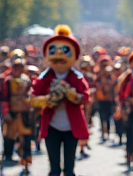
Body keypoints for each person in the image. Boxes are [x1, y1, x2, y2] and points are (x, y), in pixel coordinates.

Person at [31, 25, 90, 176]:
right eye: (53, 51)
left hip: (72, 127)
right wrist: (48, 100)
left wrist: (71, 95)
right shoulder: (44, 78)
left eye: (64, 51)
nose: (58, 57)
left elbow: (85, 97)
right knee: (54, 168)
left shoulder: (77, 77)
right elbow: (32, 98)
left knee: (69, 168)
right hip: (51, 126)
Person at [1, 50, 33, 174]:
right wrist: (6, 112)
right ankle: (8, 155)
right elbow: (4, 97)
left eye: (20, 67)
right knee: (8, 136)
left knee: (26, 139)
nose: (18, 69)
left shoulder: (27, 80)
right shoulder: (7, 81)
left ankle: (26, 160)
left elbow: (31, 94)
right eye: (16, 67)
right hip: (12, 113)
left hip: (24, 113)